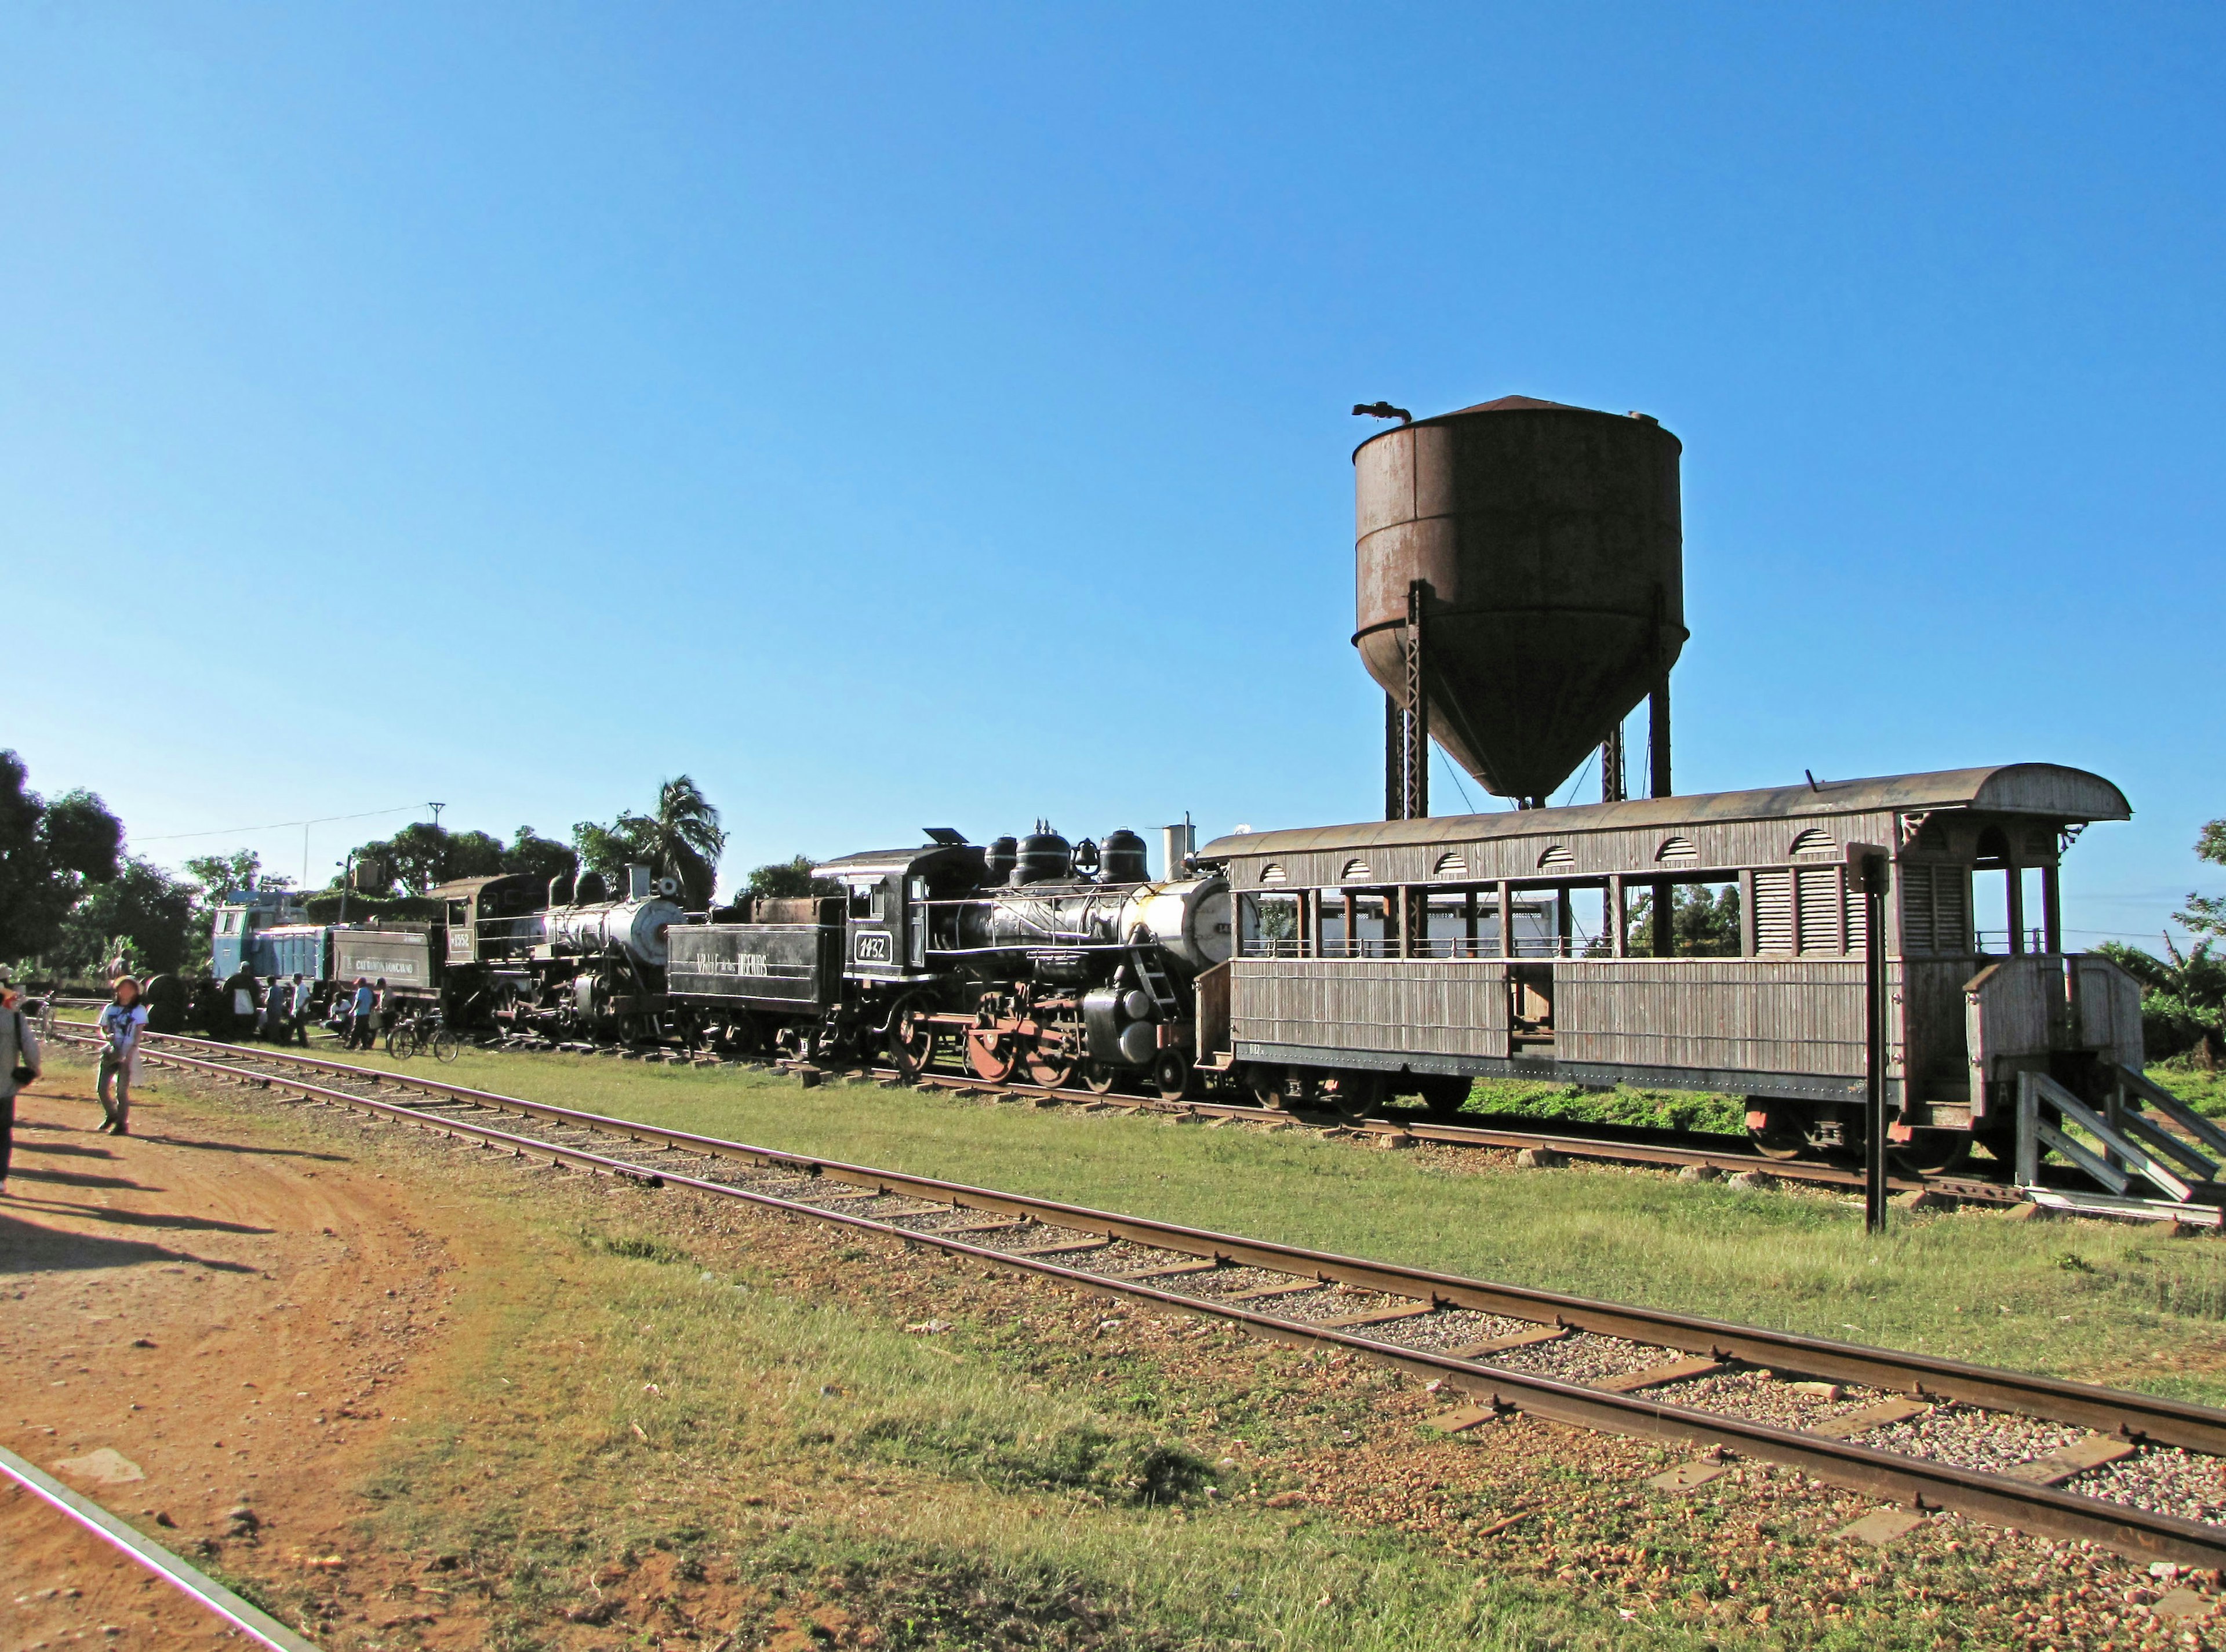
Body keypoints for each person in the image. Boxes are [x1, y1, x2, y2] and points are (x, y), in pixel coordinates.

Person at [0, 973, 42, 1195]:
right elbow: (31, 1051)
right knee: (3, 1132)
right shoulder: (15, 1019)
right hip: (5, 1087)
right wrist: (35, 1069)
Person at [94, 976, 149, 1136]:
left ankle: (122, 1124)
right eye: (123, 988)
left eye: (130, 989)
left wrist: (131, 1052)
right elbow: (102, 1028)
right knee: (102, 1088)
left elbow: (138, 1033)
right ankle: (112, 1114)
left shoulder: (139, 1010)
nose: (126, 992)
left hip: (127, 1052)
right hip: (111, 1051)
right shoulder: (110, 1009)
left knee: (122, 1091)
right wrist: (106, 1036)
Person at [223, 961, 261, 1042]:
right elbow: (257, 992)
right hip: (247, 1008)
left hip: (235, 1007)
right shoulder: (252, 981)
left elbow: (225, 990)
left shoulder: (234, 978)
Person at [347, 977, 376, 1050]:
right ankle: (364, 1045)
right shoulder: (370, 991)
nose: (358, 986)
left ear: (361, 983)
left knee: (356, 1030)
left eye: (358, 984)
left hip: (360, 1013)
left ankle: (352, 1045)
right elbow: (374, 1002)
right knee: (364, 1031)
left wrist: (352, 1010)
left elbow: (358, 1002)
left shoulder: (361, 991)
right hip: (367, 1013)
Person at [288, 974, 312, 1046]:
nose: (293, 980)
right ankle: (288, 1041)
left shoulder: (302, 988)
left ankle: (304, 1043)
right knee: (292, 1027)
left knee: (299, 1028)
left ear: (298, 979)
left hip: (300, 1011)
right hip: (296, 1011)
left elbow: (308, 998)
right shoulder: (298, 987)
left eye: (294, 979)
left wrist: (302, 1007)